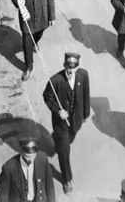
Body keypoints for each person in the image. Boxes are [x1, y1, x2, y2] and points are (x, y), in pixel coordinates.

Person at [43, 52, 90, 194]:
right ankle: (66, 179)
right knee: (65, 152)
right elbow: (47, 97)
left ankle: (57, 141)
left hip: (75, 120)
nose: (70, 71)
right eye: (68, 67)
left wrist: (85, 113)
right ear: (64, 66)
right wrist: (58, 111)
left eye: (73, 68)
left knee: (70, 139)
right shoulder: (55, 80)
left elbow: (86, 94)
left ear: (78, 67)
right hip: (60, 123)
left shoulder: (83, 75)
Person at [11, 0, 55, 81]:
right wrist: (18, 1)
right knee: (27, 42)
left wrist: (52, 16)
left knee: (39, 34)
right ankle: (28, 66)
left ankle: (34, 43)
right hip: (27, 18)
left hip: (41, 17)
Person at [0, 134, 56, 202]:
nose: (31, 159)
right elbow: (2, 193)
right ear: (21, 151)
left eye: (33, 155)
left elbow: (50, 186)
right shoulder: (9, 167)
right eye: (27, 156)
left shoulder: (42, 159)